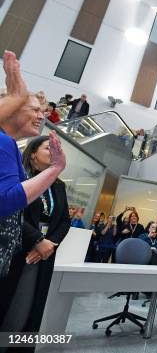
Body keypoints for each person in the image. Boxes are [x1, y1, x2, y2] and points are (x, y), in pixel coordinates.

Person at [0, 136, 71, 348]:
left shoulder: (58, 186)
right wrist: (37, 240)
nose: (54, 152)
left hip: (45, 254)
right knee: (10, 308)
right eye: (48, 148)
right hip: (19, 250)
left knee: (30, 310)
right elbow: (12, 213)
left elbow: (65, 220)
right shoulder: (19, 177)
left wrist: (49, 244)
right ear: (33, 153)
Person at [0, 51, 66, 278]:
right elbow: (7, 200)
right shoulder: (4, 143)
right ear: (14, 109)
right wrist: (56, 168)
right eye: (35, 110)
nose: (41, 116)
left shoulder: (10, 148)